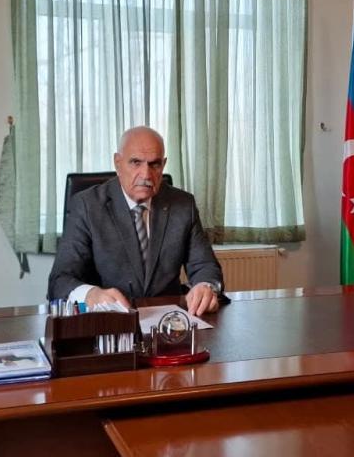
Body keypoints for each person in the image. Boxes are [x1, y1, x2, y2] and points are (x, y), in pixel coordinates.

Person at [48, 126, 224, 316]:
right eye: (135, 162)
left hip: (168, 320)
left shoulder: (183, 204)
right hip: (107, 321)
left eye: (154, 164)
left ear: (163, 164)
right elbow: (60, 280)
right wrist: (90, 294)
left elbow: (205, 266)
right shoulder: (87, 205)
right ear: (118, 163)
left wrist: (206, 286)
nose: (146, 174)